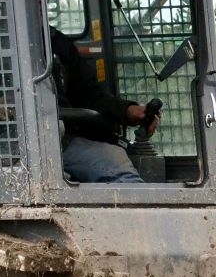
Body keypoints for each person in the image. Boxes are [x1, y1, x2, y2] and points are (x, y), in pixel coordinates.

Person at [49, 28, 155, 184]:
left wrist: (126, 110)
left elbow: (88, 95)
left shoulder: (56, 42)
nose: (37, 5)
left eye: (40, 2)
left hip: (64, 142)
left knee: (123, 177)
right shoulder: (2, 43)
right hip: (11, 150)